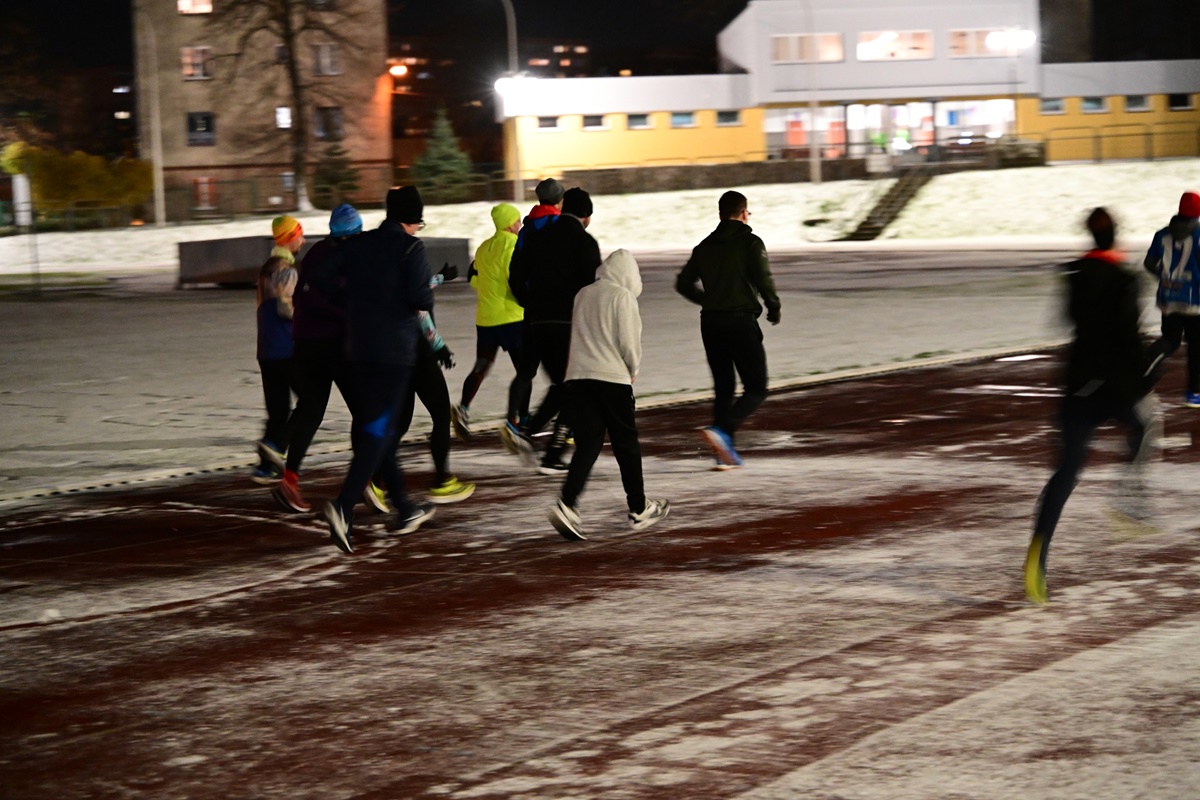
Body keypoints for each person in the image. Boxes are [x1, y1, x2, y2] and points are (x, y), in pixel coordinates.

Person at [1025, 207, 1160, 605]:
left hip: (1079, 386)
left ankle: (1038, 554)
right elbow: (1129, 337)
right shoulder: (1124, 280)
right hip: (1116, 386)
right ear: (1115, 236)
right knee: (1147, 424)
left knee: (1066, 471)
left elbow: (1068, 320)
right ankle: (1127, 501)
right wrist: (1144, 380)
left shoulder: (1075, 276)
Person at [322, 186, 436, 554]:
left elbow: (324, 276)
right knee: (379, 430)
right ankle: (343, 506)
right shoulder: (411, 249)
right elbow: (421, 298)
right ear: (411, 218)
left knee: (379, 426)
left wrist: (353, 301)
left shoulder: (360, 244)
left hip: (359, 348)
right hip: (393, 351)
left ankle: (403, 506)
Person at [549, 249, 670, 541]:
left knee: (588, 445)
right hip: (612, 378)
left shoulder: (583, 294)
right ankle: (639, 508)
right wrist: (633, 368)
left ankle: (568, 503)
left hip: (578, 377)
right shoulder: (622, 296)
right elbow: (629, 340)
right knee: (626, 444)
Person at [675, 190, 781, 469]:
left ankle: (723, 453)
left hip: (710, 323)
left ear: (721, 213)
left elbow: (683, 283)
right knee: (756, 388)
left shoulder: (704, 246)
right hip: (741, 321)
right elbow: (763, 278)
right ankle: (723, 430)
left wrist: (708, 300)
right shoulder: (750, 242)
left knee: (724, 388)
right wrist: (773, 306)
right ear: (744, 213)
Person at [505, 184, 602, 474]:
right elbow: (592, 288)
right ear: (586, 215)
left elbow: (516, 275)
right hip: (567, 322)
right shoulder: (584, 242)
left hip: (536, 320)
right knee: (575, 387)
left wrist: (531, 303)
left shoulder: (537, 236)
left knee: (562, 385)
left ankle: (528, 430)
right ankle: (552, 452)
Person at [271, 204, 359, 512]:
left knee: (311, 410)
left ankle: (289, 479)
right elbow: (343, 300)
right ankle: (368, 481)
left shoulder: (314, 255)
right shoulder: (347, 258)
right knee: (364, 412)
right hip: (334, 345)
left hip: (304, 345)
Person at [451, 202, 524, 441]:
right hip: (512, 317)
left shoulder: (483, 248)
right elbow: (517, 280)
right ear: (511, 224)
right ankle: (516, 420)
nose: (520, 224)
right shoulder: (515, 246)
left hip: (485, 318)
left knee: (481, 365)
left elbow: (474, 280)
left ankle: (463, 408)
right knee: (525, 371)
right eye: (518, 220)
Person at [252, 214, 303, 484]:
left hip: (266, 349)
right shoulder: (287, 268)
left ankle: (265, 467)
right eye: (300, 235)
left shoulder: (265, 268)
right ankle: (277, 446)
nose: (303, 240)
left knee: (278, 410)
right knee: (309, 401)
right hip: (287, 348)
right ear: (291, 238)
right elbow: (286, 309)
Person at [1143, 190, 1200, 406]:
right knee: (1196, 347)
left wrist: (1164, 278)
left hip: (1168, 297)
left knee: (1170, 340)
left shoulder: (1162, 235)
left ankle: (1144, 370)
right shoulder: (1199, 235)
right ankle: (1194, 393)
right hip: (1195, 302)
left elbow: (1149, 264)